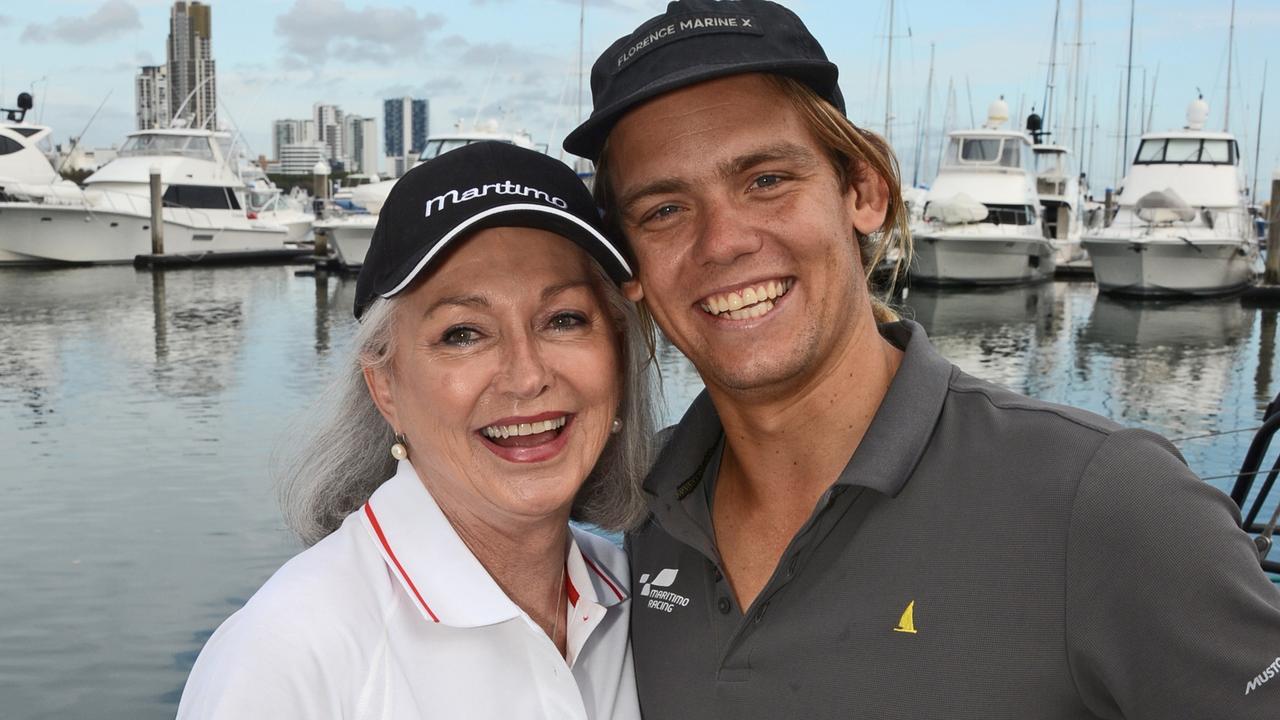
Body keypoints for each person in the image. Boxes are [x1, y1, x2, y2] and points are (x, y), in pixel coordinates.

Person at [563, 1, 1280, 717]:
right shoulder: (617, 525)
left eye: (766, 180)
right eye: (665, 210)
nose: (722, 242)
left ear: (864, 189)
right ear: (630, 266)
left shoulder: (1107, 504)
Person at [176, 142, 653, 719]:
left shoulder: (645, 595)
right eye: (463, 334)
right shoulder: (287, 657)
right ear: (385, 387)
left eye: (564, 319)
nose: (527, 376)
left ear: (618, 357)